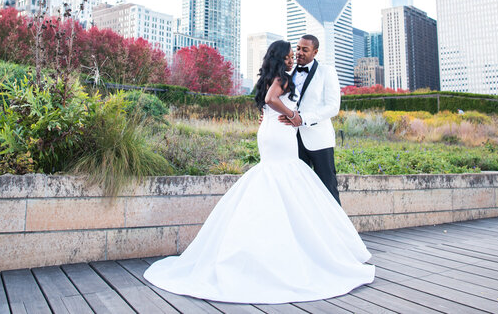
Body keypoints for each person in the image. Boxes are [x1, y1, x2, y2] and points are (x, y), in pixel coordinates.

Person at [143, 40, 375, 304]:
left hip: (305, 136)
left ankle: (327, 245)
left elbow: (330, 106)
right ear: (283, 56)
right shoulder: (283, 78)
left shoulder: (307, 73)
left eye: (300, 51)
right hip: (285, 135)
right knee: (290, 186)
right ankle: (302, 251)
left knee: (314, 190)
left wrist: (297, 117)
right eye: (292, 53)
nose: (296, 56)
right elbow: (270, 100)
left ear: (315, 52)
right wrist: (292, 114)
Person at [278, 34, 342, 203]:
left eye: (305, 50)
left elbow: (333, 107)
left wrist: (303, 118)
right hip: (292, 138)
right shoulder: (287, 72)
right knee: (298, 189)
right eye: (298, 48)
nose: (299, 53)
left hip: (319, 139)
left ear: (315, 52)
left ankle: (336, 229)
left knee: (328, 188)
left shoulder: (327, 72)